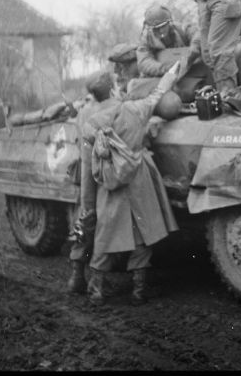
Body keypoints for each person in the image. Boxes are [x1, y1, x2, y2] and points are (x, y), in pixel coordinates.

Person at [80, 64, 181, 306]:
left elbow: (87, 169)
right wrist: (171, 73)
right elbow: (158, 93)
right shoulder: (135, 110)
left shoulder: (90, 123)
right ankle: (138, 291)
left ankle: (96, 292)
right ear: (114, 89)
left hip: (110, 186)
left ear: (94, 95)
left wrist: (88, 206)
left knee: (105, 238)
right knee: (141, 235)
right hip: (138, 179)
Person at [67, 71, 118, 294]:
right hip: (105, 174)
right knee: (105, 223)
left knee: (84, 219)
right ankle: (98, 280)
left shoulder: (84, 111)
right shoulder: (116, 108)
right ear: (110, 88)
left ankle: (76, 275)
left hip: (87, 175)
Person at [136, 3, 201, 79]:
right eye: (156, 28)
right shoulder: (146, 39)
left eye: (163, 26)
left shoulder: (181, 29)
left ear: (169, 22)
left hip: (187, 72)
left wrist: (193, 49)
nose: (160, 30)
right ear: (150, 28)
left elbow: (197, 34)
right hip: (160, 76)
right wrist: (166, 68)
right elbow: (144, 62)